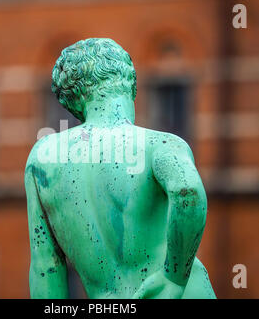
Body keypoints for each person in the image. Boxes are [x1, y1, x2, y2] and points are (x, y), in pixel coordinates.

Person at [25, 38, 216, 298]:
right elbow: (187, 192)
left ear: (73, 101)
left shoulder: (43, 156)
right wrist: (173, 277)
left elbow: (44, 266)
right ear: (130, 82)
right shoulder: (161, 145)